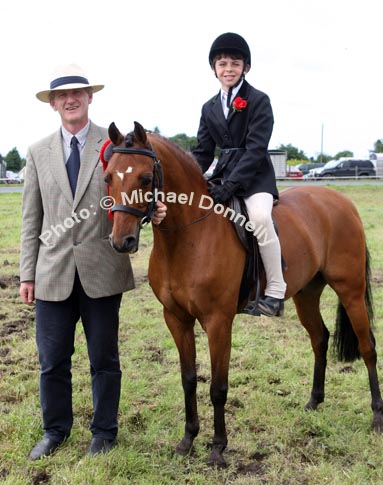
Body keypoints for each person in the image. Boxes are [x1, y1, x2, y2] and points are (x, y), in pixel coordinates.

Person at [19, 64, 167, 460]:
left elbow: (140, 191)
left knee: (104, 360)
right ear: (53, 104)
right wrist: (27, 273)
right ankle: (55, 431)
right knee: (52, 362)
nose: (70, 100)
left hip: (102, 269)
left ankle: (104, 433)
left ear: (89, 98)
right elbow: (31, 217)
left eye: (78, 93)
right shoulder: (37, 152)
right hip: (51, 273)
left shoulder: (117, 142)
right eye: (62, 95)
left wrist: (156, 211)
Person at [192, 32, 286, 317]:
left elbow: (257, 149)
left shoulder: (258, 100)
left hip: (255, 177)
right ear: (214, 69)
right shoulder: (209, 107)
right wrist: (189, 177)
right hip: (222, 175)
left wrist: (232, 185)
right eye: (222, 64)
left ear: (246, 67)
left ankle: (276, 291)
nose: (228, 69)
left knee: (258, 218)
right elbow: (203, 152)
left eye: (235, 63)